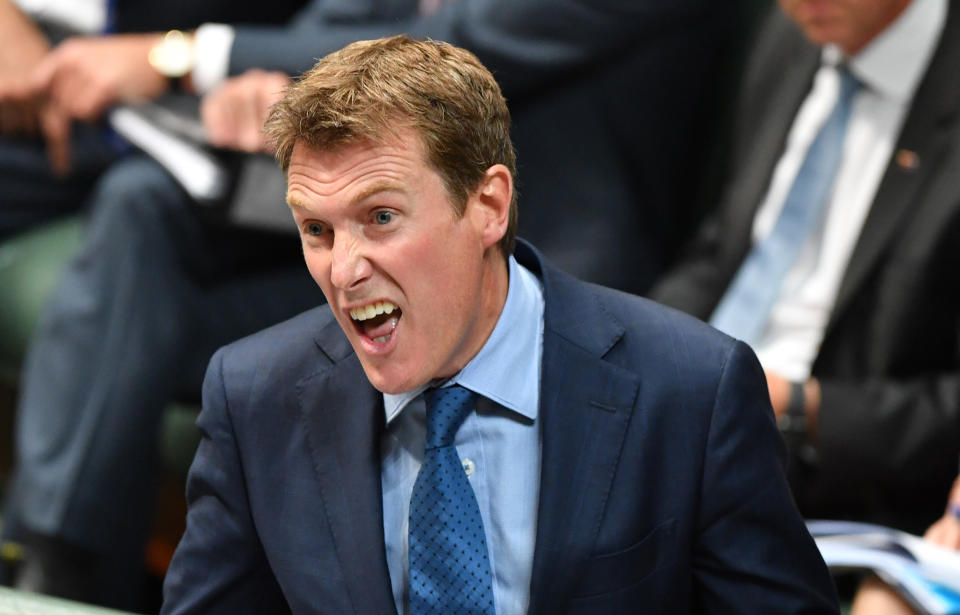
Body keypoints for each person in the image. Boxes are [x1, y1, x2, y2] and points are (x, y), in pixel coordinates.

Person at [2, 0, 742, 607]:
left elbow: (449, 55)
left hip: (541, 233)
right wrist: (270, 89)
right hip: (367, 206)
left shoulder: (702, 381)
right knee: (144, 223)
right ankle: (55, 571)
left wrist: (185, 56)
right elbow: (340, 28)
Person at [161, 35, 839, 615]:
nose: (342, 270)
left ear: (488, 204)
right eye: (316, 229)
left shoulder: (691, 390)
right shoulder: (255, 397)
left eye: (381, 218)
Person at [651, 0, 960, 536]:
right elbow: (726, 246)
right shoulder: (795, 33)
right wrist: (634, 339)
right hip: (695, 413)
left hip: (836, 479)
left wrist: (804, 409)